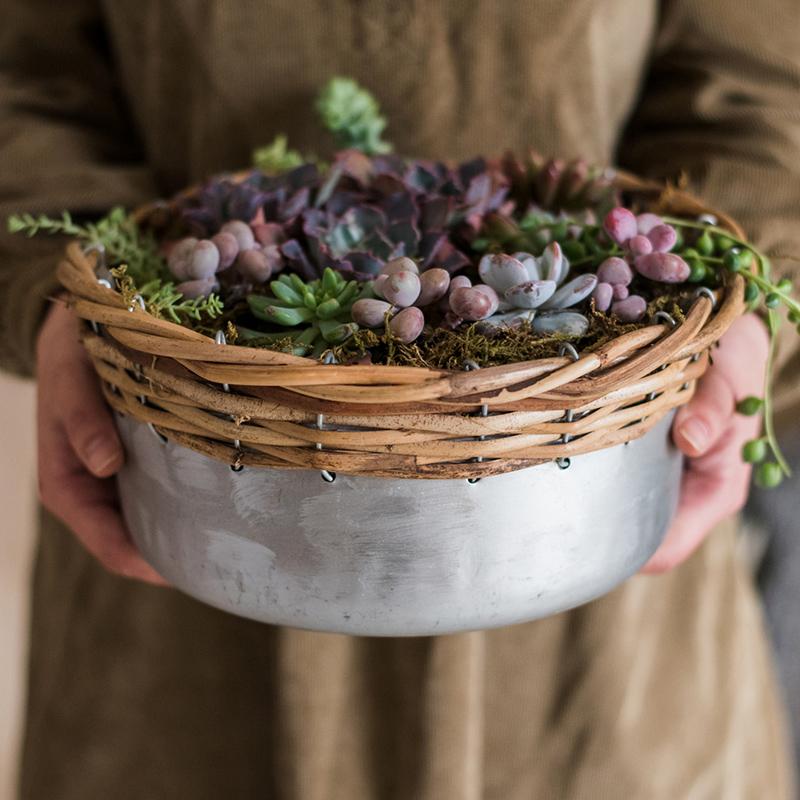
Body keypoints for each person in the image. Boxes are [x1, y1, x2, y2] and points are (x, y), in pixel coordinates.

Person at [1, 1, 798, 797]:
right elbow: (25, 77)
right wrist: (60, 291)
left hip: (589, 527)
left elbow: (760, 91)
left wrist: (745, 313)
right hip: (188, 505)